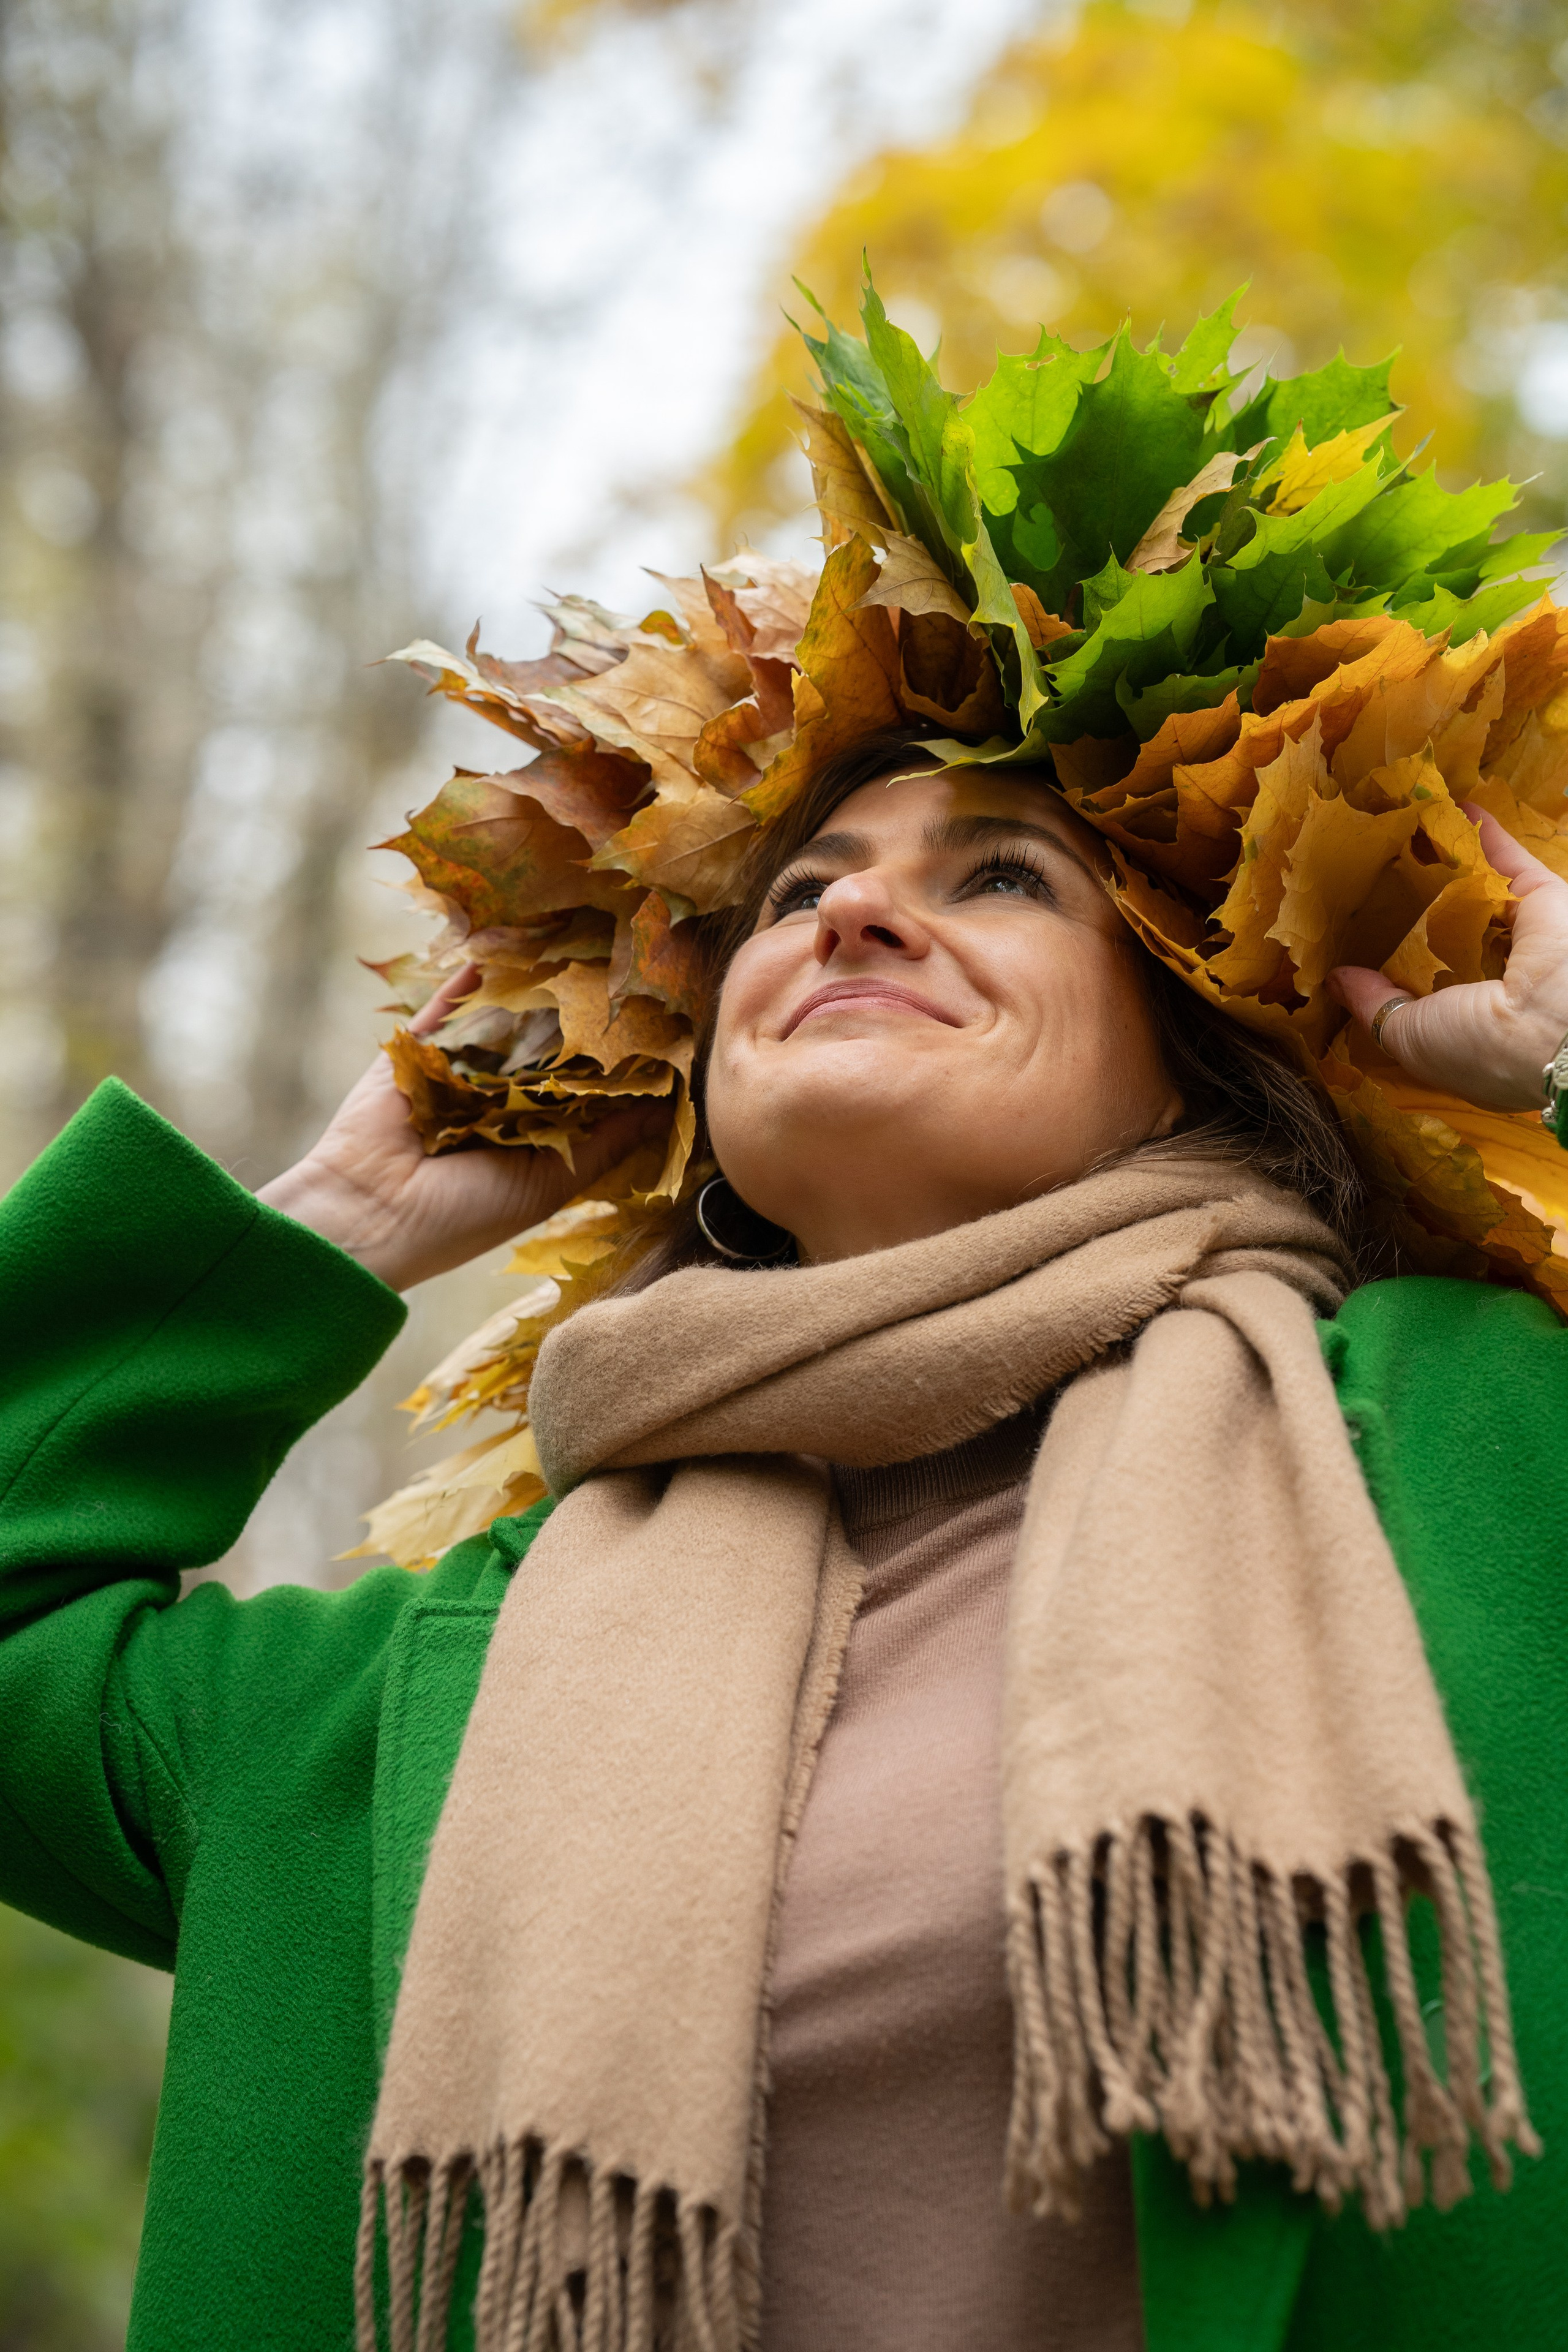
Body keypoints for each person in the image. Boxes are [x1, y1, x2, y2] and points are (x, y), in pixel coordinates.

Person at [1, 737, 1565, 2352]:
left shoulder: (1482, 1436)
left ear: (1192, 1042)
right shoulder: (410, 1688)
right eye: (803, 893)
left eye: (1004, 876)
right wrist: (343, 1214)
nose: (856, 916)